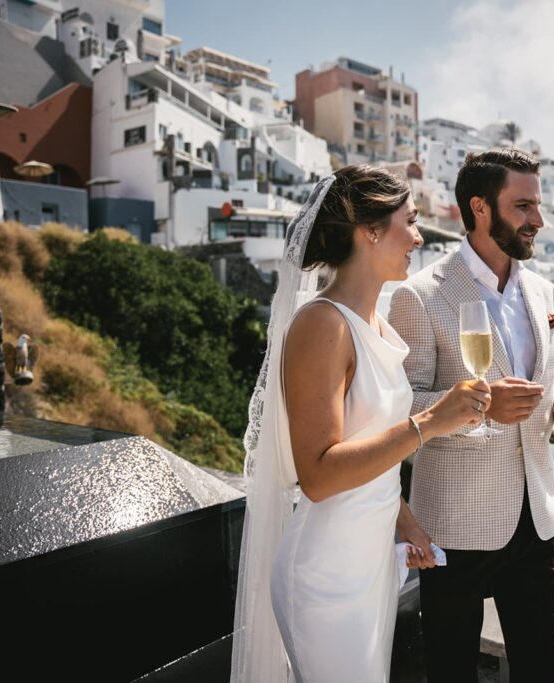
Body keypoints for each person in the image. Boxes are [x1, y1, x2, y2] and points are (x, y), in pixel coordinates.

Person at [231, 165, 492, 683]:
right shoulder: (322, 324)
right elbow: (318, 474)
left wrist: (404, 521)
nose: (418, 237)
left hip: (370, 566)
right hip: (326, 576)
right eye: (409, 221)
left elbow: (367, 447)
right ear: (369, 230)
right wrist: (430, 422)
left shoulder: (377, 323)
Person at [388, 149, 554, 682]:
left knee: (542, 671)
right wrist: (482, 407)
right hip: (455, 521)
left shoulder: (545, 291)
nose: (538, 220)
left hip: (539, 520)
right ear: (480, 208)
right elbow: (402, 408)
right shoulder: (420, 296)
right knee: (452, 672)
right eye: (523, 206)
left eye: (538, 205)